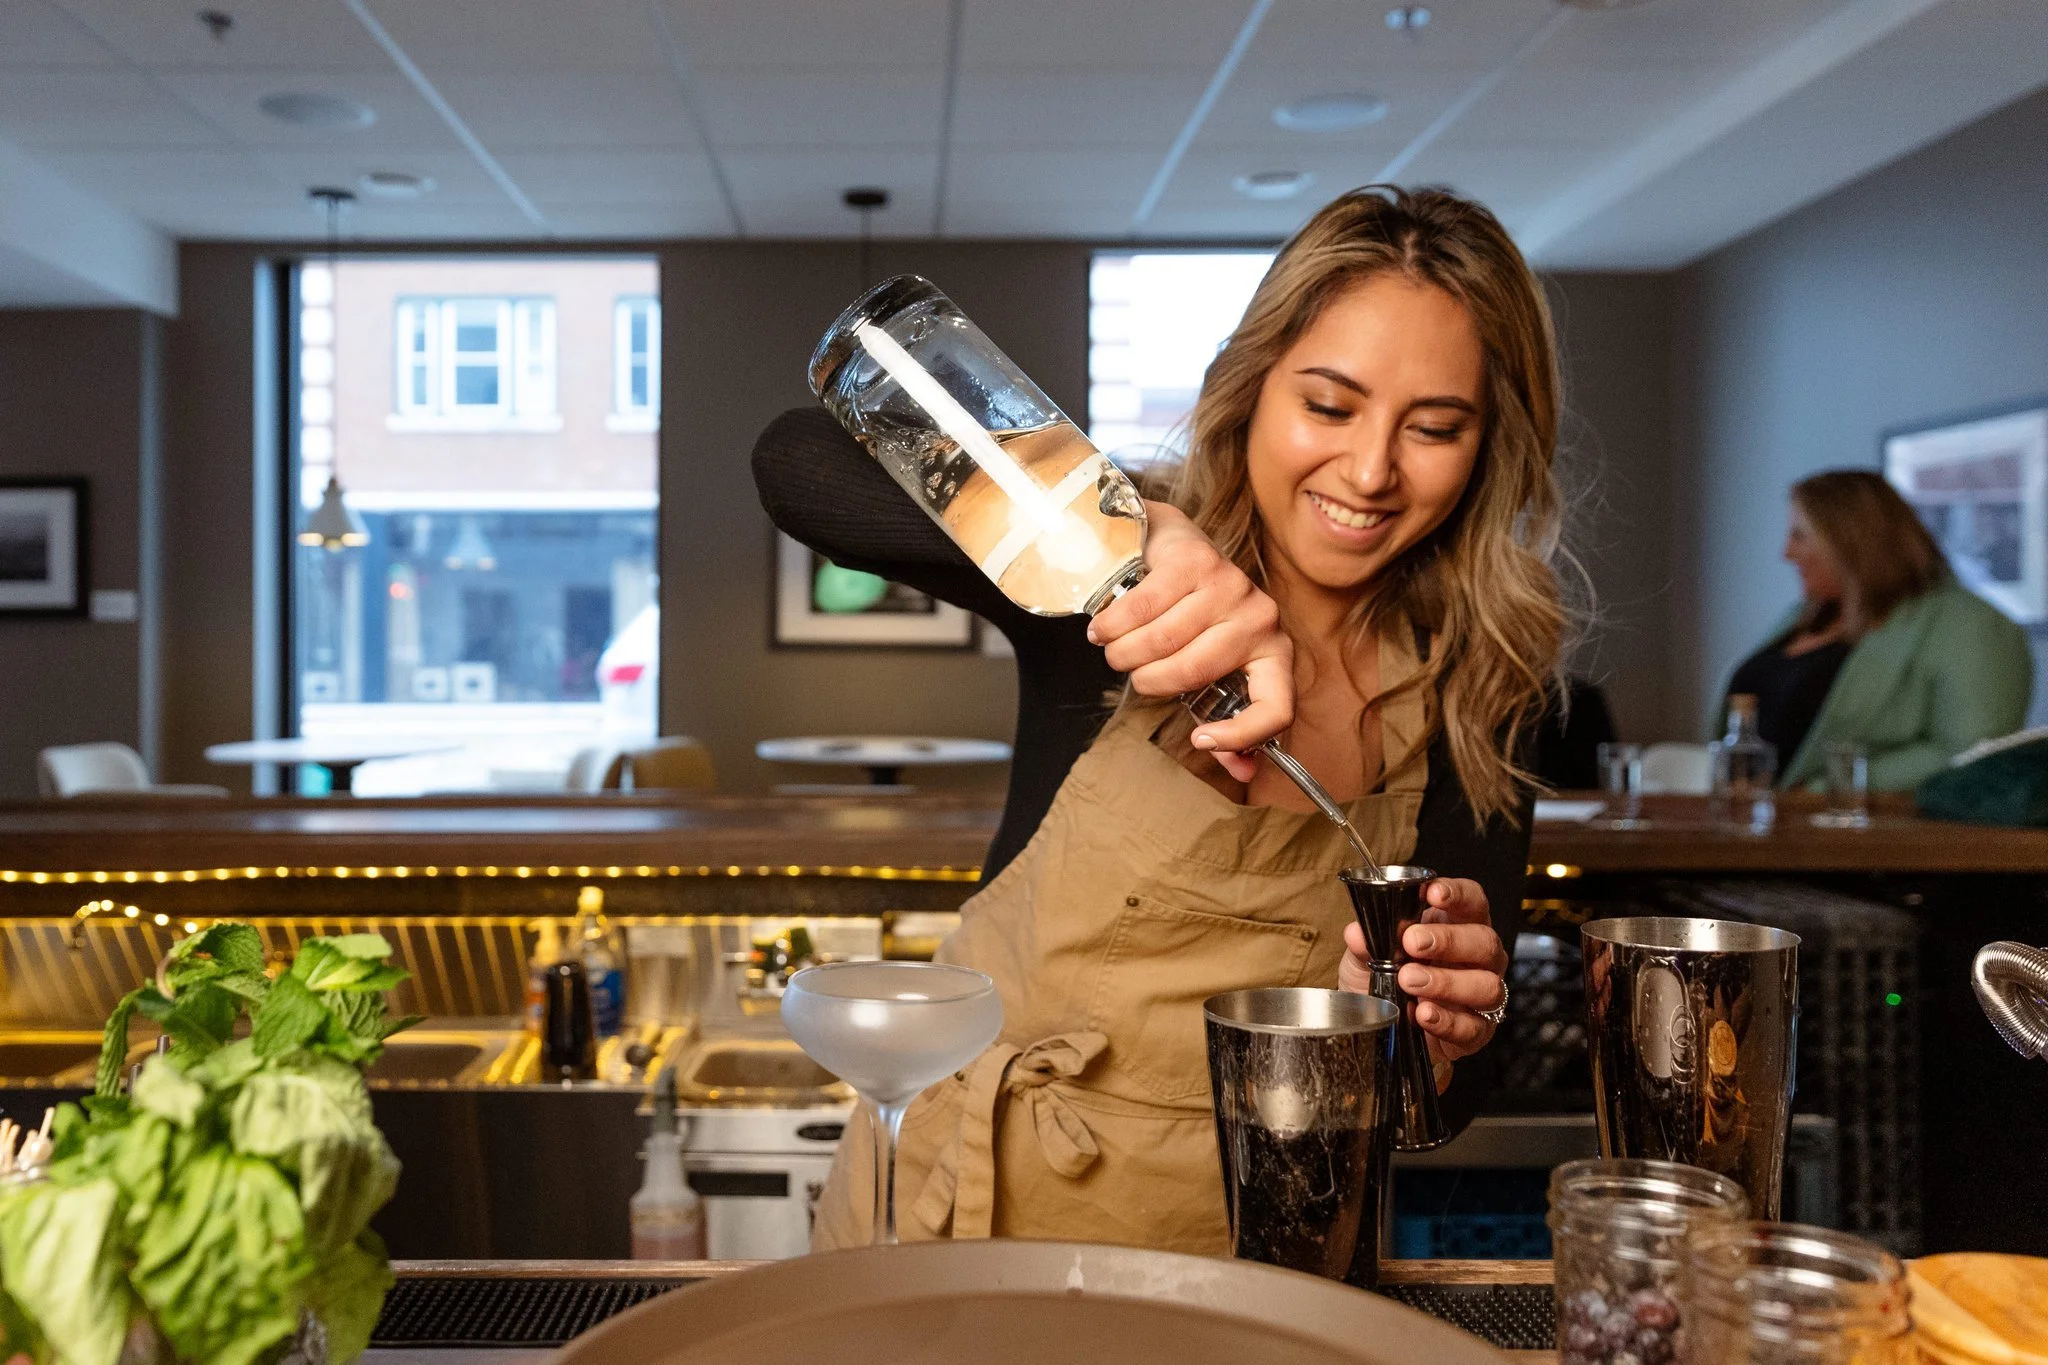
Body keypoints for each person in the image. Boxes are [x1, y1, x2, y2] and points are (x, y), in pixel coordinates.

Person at [755, 185, 1569, 1251]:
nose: (1369, 472)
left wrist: (1437, 1033)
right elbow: (793, 464)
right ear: (1253, 386)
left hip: (1242, 1251)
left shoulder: (1482, 692)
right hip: (957, 1212)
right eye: (1327, 406)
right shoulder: (1102, 581)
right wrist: (1143, 540)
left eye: (1432, 429)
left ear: (1485, 447)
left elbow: (1435, 1111)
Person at [1722, 469, 2032, 792]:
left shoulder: (1969, 625)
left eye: (1800, 535)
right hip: (1748, 830)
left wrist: (1826, 787)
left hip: (1857, 835)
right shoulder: (1800, 618)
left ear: (1851, 539)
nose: (1786, 553)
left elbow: (1970, 753)